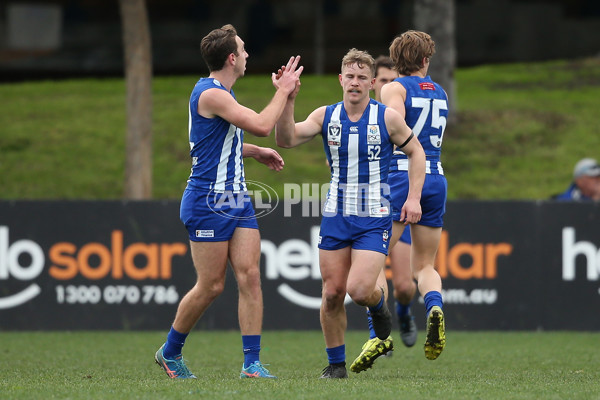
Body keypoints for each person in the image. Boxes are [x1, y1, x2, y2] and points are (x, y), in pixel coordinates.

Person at [154, 24, 303, 380]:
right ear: (232, 58)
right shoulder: (211, 93)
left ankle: (251, 364)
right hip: (206, 200)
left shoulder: (223, 94)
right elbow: (262, 124)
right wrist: (282, 91)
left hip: (236, 198)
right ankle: (170, 352)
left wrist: (253, 153)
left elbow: (219, 143)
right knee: (212, 286)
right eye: (244, 50)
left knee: (250, 277)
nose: (249, 55)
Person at [274, 48, 426, 378]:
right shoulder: (325, 116)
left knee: (358, 290)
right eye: (349, 77)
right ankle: (336, 365)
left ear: (372, 83)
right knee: (331, 294)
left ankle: (377, 306)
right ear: (340, 80)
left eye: (361, 78)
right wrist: (287, 98)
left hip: (374, 216)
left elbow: (417, 152)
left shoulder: (386, 117)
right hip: (336, 214)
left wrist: (413, 198)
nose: (354, 83)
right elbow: (285, 138)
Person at [381, 30, 449, 362]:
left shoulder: (393, 88)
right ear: (425, 60)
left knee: (374, 258)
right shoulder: (440, 92)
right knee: (424, 266)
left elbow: (392, 122)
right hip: (435, 177)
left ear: (397, 60)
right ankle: (434, 306)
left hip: (400, 175)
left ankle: (378, 333)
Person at [350, 55, 419, 373]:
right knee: (373, 265)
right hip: (370, 206)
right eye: (385, 81)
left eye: (395, 81)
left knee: (405, 286)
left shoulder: (397, 118)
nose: (389, 87)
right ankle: (378, 333)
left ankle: (403, 312)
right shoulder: (358, 116)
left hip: (399, 198)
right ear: (374, 83)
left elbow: (418, 150)